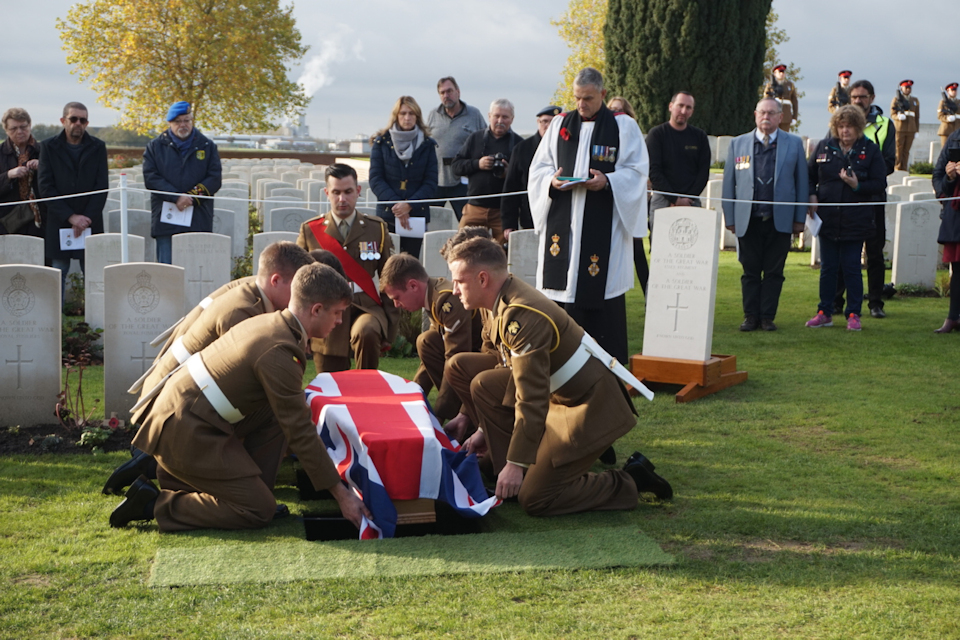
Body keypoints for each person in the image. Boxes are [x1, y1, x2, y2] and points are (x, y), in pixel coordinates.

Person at [109, 263, 372, 531]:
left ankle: (246, 489)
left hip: (194, 416)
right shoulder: (280, 349)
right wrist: (340, 493)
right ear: (316, 310)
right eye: (337, 313)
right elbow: (299, 429)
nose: (340, 322)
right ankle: (153, 504)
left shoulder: (273, 323)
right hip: (184, 427)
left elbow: (287, 416)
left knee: (276, 411)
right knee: (259, 510)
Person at [446, 237, 672, 516]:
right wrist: (482, 429)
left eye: (459, 281)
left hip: (586, 404)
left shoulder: (522, 315)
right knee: (484, 384)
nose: (454, 290)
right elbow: (507, 369)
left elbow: (531, 398)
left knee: (537, 499)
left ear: (483, 278)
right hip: (558, 393)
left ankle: (630, 480)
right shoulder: (494, 300)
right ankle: (511, 472)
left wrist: (516, 463)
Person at [528, 67, 649, 365]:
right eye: (578, 98)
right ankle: (560, 367)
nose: (582, 105)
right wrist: (551, 182)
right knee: (563, 290)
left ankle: (608, 372)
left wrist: (607, 181)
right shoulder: (559, 125)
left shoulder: (624, 127)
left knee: (599, 295)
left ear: (603, 95)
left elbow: (636, 172)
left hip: (602, 227)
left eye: (589, 99)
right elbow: (539, 169)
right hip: (563, 226)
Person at [296, 163, 398, 372]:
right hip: (326, 310)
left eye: (348, 192)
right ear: (326, 193)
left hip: (365, 306)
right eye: (336, 192)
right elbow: (298, 282)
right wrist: (300, 329)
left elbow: (389, 278)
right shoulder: (310, 230)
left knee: (366, 331)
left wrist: (390, 325)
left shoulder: (376, 228)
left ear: (358, 191)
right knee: (331, 381)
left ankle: (367, 388)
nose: (342, 199)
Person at [722, 98, 808, 332]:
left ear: (781, 117)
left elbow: (802, 183)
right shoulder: (738, 144)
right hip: (748, 219)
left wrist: (799, 219)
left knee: (774, 271)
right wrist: (729, 218)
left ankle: (767, 317)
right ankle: (750, 316)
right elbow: (729, 184)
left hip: (779, 220)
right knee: (749, 271)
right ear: (755, 114)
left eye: (772, 113)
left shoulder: (794, 144)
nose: (766, 117)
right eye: (762, 112)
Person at [806, 105, 887, 331]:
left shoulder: (869, 150)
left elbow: (880, 183)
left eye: (849, 127)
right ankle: (825, 311)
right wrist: (811, 195)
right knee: (828, 268)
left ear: (858, 127)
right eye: (841, 127)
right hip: (828, 218)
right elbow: (809, 175)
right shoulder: (824, 147)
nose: (845, 131)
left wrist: (857, 185)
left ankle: (853, 313)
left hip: (855, 219)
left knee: (851, 267)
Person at [380, 252, 483, 428]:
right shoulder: (434, 298)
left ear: (413, 285)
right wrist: (412, 396)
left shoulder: (447, 300)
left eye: (397, 298)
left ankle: (470, 417)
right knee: (425, 341)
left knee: (447, 356)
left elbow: (455, 356)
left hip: (483, 356)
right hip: (467, 357)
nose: (397, 305)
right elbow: (430, 358)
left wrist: (439, 415)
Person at [835, 80, 897, 319]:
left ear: (871, 98)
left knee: (874, 251)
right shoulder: (841, 123)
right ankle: (837, 300)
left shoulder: (884, 125)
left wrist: (860, 176)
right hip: (845, 196)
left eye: (862, 97)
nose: (858, 101)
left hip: (872, 194)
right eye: (854, 97)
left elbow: (889, 160)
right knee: (842, 248)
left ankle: (875, 302)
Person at [37, 102, 108, 298]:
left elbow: (101, 187)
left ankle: (96, 320)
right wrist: (70, 216)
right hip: (60, 220)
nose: (78, 123)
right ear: (63, 121)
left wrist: (85, 219)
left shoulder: (98, 147)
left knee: (93, 273)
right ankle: (57, 323)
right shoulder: (48, 147)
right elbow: (45, 186)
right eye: (73, 119)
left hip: (89, 221)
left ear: (87, 123)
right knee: (59, 270)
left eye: (82, 120)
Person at [143, 101, 222, 264]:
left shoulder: (207, 146)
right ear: (170, 123)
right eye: (178, 121)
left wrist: (191, 197)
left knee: (198, 270)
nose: (183, 125)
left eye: (186, 120)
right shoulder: (155, 147)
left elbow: (214, 178)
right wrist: (176, 197)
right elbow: (151, 177)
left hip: (198, 218)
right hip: (167, 220)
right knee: (167, 271)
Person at [368, 96, 438, 259]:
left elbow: (431, 182)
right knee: (387, 263)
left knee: (410, 264)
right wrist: (398, 206)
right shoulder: (381, 143)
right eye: (403, 113)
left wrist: (409, 205)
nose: (407, 118)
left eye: (411, 114)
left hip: (416, 214)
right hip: (388, 213)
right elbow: (376, 179)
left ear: (417, 117)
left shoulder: (427, 144)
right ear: (396, 116)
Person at [452, 99, 523, 244]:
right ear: (489, 116)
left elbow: (526, 179)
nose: (500, 120)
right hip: (475, 207)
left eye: (505, 117)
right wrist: (478, 164)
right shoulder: (475, 138)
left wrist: (509, 174)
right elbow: (456, 167)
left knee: (504, 256)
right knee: (462, 248)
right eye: (496, 116)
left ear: (512, 119)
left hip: (503, 211)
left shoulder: (519, 144)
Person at [425, 77, 486, 220]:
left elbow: (485, 141)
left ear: (458, 92)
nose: (446, 95)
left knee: (468, 223)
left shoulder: (474, 115)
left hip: (462, 181)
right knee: (431, 222)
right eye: (442, 93)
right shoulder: (433, 115)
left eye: (449, 91)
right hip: (437, 180)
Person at [501, 105, 561, 238]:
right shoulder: (522, 149)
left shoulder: (569, 148)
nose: (548, 126)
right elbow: (511, 187)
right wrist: (509, 223)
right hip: (530, 218)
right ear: (538, 123)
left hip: (560, 217)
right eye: (544, 121)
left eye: (553, 122)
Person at [931, 128, 960, 333]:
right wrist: (949, 178)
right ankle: (953, 317)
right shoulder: (955, 138)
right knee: (957, 270)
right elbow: (938, 175)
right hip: (957, 216)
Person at [0, 108, 44, 237]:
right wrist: (9, 175)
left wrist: (43, 167)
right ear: (6, 130)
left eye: (23, 127)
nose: (19, 131)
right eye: (14, 128)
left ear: (30, 125)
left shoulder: (45, 151)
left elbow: (60, 179)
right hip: (7, 220)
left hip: (40, 218)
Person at [890, 80, 920, 172]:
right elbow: (892, 113)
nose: (908, 89)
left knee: (906, 150)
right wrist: (898, 117)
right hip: (900, 128)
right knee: (898, 149)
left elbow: (916, 117)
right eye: (906, 87)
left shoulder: (914, 100)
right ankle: (897, 167)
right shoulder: (896, 99)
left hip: (911, 128)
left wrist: (916, 130)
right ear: (902, 88)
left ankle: (904, 168)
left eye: (909, 88)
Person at [763, 64, 799, 132]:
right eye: (780, 72)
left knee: (784, 137)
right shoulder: (770, 85)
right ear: (775, 73)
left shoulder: (790, 85)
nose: (782, 74)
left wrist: (795, 117)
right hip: (773, 115)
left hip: (786, 115)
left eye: (783, 72)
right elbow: (766, 100)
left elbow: (794, 102)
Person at [938, 83, 960, 149]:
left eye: (955, 90)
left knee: (956, 152)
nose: (954, 92)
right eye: (952, 90)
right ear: (948, 91)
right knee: (945, 150)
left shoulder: (959, 102)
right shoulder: (943, 102)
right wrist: (947, 118)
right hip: (946, 130)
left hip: (957, 129)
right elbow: (940, 116)